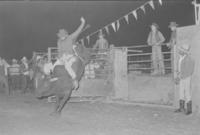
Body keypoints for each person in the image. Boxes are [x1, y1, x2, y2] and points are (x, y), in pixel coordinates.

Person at [54, 17, 86, 89]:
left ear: (65, 35)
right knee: (54, 65)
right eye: (60, 36)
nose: (61, 37)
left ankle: (75, 79)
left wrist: (83, 23)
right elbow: (60, 51)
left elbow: (78, 31)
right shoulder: (59, 41)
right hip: (62, 57)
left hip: (71, 56)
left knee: (67, 66)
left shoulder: (70, 37)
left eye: (63, 35)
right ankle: (54, 80)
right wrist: (60, 57)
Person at [174, 40, 195, 115]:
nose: (180, 51)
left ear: (184, 51)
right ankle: (181, 108)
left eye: (181, 50)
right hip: (182, 77)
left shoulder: (189, 59)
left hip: (186, 77)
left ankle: (189, 110)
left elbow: (190, 71)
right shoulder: (181, 58)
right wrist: (178, 75)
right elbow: (180, 68)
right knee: (181, 92)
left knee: (187, 92)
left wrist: (181, 76)